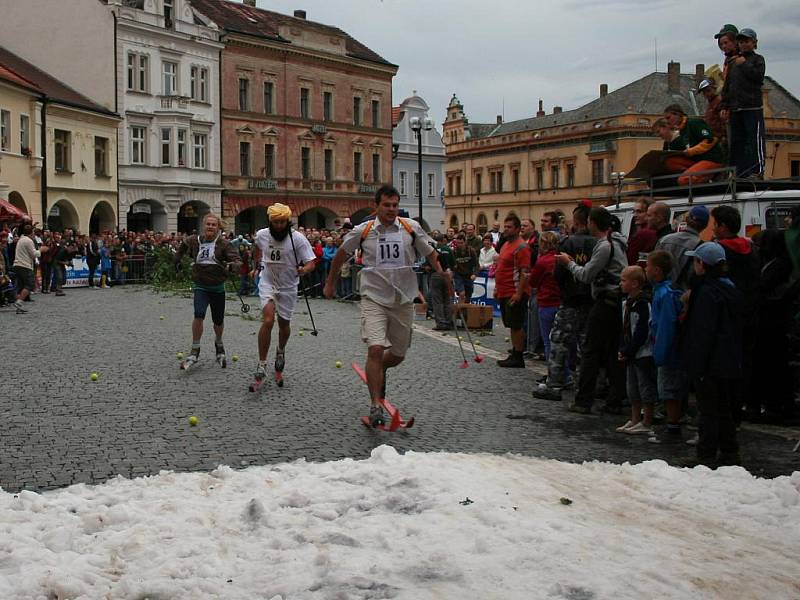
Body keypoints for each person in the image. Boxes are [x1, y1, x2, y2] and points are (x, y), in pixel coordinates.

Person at [324, 185, 449, 426]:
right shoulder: (365, 230)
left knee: (398, 355)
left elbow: (431, 253)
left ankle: (377, 369)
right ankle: (374, 406)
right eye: (386, 205)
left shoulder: (410, 228)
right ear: (377, 206)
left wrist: (442, 272)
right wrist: (331, 282)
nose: (391, 210)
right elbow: (341, 254)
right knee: (375, 348)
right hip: (373, 297)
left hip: (403, 299)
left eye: (395, 205)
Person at [556, 207, 628, 414]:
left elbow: (586, 275)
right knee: (612, 352)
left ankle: (584, 400)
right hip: (614, 301)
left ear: (593, 223)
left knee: (590, 351)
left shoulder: (604, 246)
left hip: (606, 301)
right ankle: (614, 399)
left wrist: (568, 263)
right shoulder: (618, 241)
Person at [680, 242, 743, 467]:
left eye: (696, 260)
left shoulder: (706, 291)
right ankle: (729, 451)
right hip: (729, 358)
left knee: (708, 409)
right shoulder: (730, 288)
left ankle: (705, 454)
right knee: (724, 407)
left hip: (709, 360)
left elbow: (702, 331)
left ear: (702, 264)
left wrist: (697, 364)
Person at [533, 201, 596, 401]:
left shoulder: (567, 243)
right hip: (592, 300)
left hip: (569, 300)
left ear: (576, 221)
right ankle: (587, 386)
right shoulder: (599, 244)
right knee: (587, 345)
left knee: (559, 342)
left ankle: (555, 383)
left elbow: (558, 273)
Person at [251, 203, 316, 385]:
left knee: (284, 324)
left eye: (282, 222)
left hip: (288, 286)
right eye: (276, 222)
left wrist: (303, 270)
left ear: (288, 221)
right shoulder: (263, 235)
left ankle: (280, 350)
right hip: (268, 283)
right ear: (270, 221)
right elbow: (257, 249)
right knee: (268, 320)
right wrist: (256, 267)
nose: (279, 225)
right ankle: (262, 364)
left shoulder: (298, 239)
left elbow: (311, 262)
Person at [711, 205, 760, 421]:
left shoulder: (719, 251)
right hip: (749, 310)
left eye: (715, 224)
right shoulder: (751, 249)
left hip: (725, 314)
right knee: (746, 361)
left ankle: (728, 410)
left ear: (722, 226)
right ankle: (744, 403)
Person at [174, 213, 241, 369]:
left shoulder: (224, 244)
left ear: (218, 227)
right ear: (203, 226)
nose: (210, 227)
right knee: (199, 314)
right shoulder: (195, 240)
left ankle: (219, 344)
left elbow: (237, 260)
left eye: (213, 224)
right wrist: (177, 260)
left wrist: (232, 266)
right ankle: (195, 349)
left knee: (217, 321)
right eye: (208, 224)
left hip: (217, 287)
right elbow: (183, 246)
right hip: (200, 286)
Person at [646, 250, 684, 443]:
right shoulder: (660, 291)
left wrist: (660, 351)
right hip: (662, 346)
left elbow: (667, 325)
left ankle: (673, 427)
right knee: (666, 388)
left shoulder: (665, 294)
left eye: (648, 266)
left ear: (657, 270)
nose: (646, 269)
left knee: (669, 389)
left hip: (668, 350)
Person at [721, 28, 766, 179]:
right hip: (736, 109)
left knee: (754, 140)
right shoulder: (733, 62)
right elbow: (728, 86)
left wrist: (744, 64)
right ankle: (738, 172)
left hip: (752, 107)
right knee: (737, 142)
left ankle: (757, 171)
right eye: (741, 42)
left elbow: (758, 78)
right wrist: (725, 106)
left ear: (754, 43)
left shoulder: (758, 59)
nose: (743, 44)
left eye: (747, 41)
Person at [616, 265, 657, 434]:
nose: (620, 284)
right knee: (632, 388)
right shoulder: (627, 303)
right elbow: (624, 328)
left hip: (642, 352)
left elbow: (642, 331)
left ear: (634, 284)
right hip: (630, 351)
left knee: (644, 387)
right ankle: (634, 418)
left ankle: (647, 420)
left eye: (623, 280)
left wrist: (629, 349)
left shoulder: (642, 304)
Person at [494, 215, 532, 368]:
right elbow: (501, 268)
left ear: (517, 229)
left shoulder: (521, 247)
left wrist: (519, 293)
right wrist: (497, 288)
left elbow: (525, 272)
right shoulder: (505, 245)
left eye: (509, 227)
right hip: (504, 290)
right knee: (511, 324)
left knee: (516, 325)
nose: (506, 229)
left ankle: (518, 356)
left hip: (514, 291)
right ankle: (515, 352)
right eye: (505, 226)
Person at [662, 104, 724, 185]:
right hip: (698, 160)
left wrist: (691, 151)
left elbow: (710, 140)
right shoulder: (681, 130)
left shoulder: (694, 122)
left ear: (678, 114)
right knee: (670, 162)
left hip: (711, 159)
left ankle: (708, 178)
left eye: (668, 118)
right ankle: (697, 175)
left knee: (683, 180)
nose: (667, 121)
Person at [655, 205, 708, 289]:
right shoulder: (701, 248)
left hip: (661, 292)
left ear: (686, 219)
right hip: (683, 296)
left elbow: (653, 267)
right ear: (705, 226)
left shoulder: (664, 240)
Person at [528, 231, 561, 362]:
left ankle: (552, 375)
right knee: (562, 342)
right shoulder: (561, 258)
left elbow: (533, 282)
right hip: (561, 302)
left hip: (547, 301)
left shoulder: (543, 261)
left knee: (548, 341)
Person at [11, 223, 48, 314]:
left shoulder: (21, 239)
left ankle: (19, 306)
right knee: (30, 285)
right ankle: (18, 302)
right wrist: (41, 250)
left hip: (17, 265)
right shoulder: (28, 241)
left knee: (21, 286)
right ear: (31, 233)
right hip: (24, 266)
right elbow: (34, 254)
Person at [430, 232, 456, 331]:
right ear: (443, 240)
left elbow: (429, 265)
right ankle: (448, 322)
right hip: (448, 275)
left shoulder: (433, 250)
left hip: (436, 275)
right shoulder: (448, 249)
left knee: (437, 301)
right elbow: (454, 265)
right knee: (448, 299)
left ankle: (441, 323)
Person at [626, 198, 657, 265]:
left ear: (649, 213)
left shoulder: (643, 233)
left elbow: (630, 259)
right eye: (634, 212)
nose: (634, 215)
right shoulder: (656, 231)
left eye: (639, 212)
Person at [452, 233, 479, 303]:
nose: (459, 244)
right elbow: (451, 265)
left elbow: (476, 264)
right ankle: (459, 312)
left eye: (461, 243)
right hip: (458, 275)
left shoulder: (471, 251)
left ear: (465, 242)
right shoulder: (454, 252)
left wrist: (475, 274)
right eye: (458, 243)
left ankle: (462, 311)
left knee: (468, 296)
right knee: (462, 293)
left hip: (468, 275)